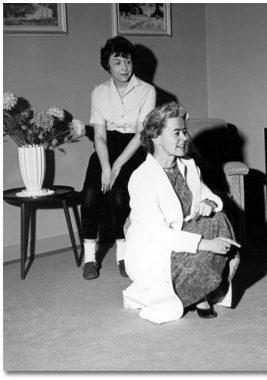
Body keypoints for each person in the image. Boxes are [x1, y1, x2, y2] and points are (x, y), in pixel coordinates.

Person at [122, 102, 241, 324]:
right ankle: (195, 292)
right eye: (176, 133)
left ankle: (201, 292)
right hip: (158, 255)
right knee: (212, 239)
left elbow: (214, 198)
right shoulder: (141, 178)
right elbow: (160, 235)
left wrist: (208, 202)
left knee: (218, 218)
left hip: (184, 238)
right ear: (156, 137)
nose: (184, 138)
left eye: (184, 131)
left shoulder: (188, 164)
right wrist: (208, 245)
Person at [80, 36, 156, 280]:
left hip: (133, 148)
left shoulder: (147, 91)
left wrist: (118, 166)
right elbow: (99, 136)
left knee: (122, 195)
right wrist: (105, 167)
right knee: (91, 195)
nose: (124, 68)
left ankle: (124, 255)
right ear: (108, 65)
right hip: (106, 147)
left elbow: (141, 133)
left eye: (128, 61)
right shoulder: (99, 92)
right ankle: (90, 258)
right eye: (117, 62)